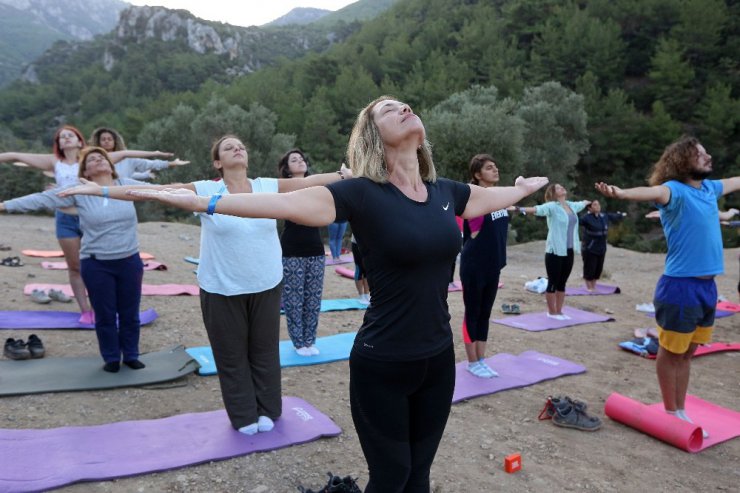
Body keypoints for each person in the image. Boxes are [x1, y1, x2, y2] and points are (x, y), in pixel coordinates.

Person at [122, 97, 547, 492]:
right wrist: (208, 204)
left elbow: (493, 196)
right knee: (392, 474)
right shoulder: (360, 193)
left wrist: (523, 189)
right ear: (371, 135)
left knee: (419, 476)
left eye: (403, 104)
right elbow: (280, 205)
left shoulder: (446, 193)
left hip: (437, 358)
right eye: (386, 109)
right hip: (383, 361)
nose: (402, 106)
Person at [60, 135, 351, 436]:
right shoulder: (205, 190)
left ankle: (269, 409)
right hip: (221, 287)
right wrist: (101, 189)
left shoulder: (267, 185)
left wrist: (343, 175)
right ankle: (243, 415)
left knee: (264, 352)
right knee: (231, 354)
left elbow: (310, 183)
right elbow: (152, 191)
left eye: (241, 145)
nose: (238, 148)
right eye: (228, 147)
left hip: (265, 284)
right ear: (217, 162)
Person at [596, 135, 740, 438]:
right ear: (683, 161)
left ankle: (680, 408)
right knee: (670, 351)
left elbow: (734, 181)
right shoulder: (674, 191)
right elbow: (652, 191)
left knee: (687, 353)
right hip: (680, 287)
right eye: (701, 154)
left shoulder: (710, 190)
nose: (708, 156)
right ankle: (670, 410)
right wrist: (621, 193)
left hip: (707, 288)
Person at [0, 125, 175, 323]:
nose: (65, 139)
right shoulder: (54, 161)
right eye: (61, 137)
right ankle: (86, 311)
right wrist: (5, 205)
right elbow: (18, 160)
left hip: (96, 216)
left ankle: (106, 308)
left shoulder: (96, 159)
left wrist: (158, 156)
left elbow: (128, 155)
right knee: (75, 267)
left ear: (80, 140)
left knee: (102, 266)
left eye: (70, 135)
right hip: (67, 216)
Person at [1, 147, 148, 372]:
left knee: (130, 313)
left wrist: (201, 196)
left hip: (129, 261)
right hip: (97, 263)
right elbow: (41, 199)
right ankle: (111, 358)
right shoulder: (78, 191)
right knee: (105, 314)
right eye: (92, 160)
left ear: (111, 166)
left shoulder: (126, 185)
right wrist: (4, 206)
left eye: (102, 157)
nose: (98, 160)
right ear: (86, 172)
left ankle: (130, 355)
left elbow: (163, 191)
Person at [460, 154, 510, 378]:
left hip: (493, 265)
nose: (495, 170)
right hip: (474, 265)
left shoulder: (499, 197)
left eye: (495, 166)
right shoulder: (475, 198)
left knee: (485, 313)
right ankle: (472, 362)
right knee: (473, 312)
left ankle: (481, 359)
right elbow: (469, 231)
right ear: (478, 175)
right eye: (490, 168)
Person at [277, 148, 325, 356]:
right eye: (294, 160)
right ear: (287, 169)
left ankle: (309, 340)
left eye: (301, 159)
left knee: (313, 298)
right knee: (294, 299)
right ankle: (298, 342)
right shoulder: (285, 189)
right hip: (292, 250)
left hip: (315, 248)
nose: (300, 162)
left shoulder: (317, 186)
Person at [519, 184, 590, 320]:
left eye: (562, 186)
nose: (562, 188)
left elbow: (581, 204)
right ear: (553, 193)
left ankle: (559, 311)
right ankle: (551, 312)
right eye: (558, 188)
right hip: (554, 251)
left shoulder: (571, 206)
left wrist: (588, 202)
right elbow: (536, 209)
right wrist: (518, 208)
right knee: (553, 281)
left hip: (568, 250)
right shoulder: (551, 206)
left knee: (562, 282)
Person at [89, 127, 189, 180]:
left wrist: (172, 163)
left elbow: (150, 164)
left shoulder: (128, 158)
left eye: (109, 139)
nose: (106, 141)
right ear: (98, 142)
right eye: (103, 139)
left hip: (121, 197)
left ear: (115, 141)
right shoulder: (92, 160)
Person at [580, 200, 626, 291]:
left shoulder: (603, 216)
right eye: (595, 205)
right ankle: (589, 288)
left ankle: (593, 286)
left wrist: (622, 215)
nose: (598, 206)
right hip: (590, 248)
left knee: (598, 269)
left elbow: (614, 216)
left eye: (598, 204)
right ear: (590, 208)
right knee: (590, 268)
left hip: (601, 247)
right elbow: (576, 220)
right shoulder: (586, 218)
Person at [350, 233, 370, 304]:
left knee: (367, 269)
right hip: (357, 243)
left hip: (368, 243)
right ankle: (361, 295)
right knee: (359, 268)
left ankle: (366, 294)